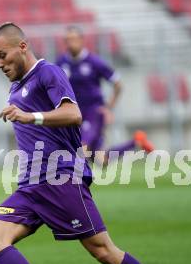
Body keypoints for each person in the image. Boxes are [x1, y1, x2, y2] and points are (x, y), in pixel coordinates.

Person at [0, 22, 191, 264]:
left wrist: (32, 116)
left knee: (104, 252)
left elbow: (73, 114)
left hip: (62, 181)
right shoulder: (16, 88)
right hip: (30, 187)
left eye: (2, 55)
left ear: (23, 47)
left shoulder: (48, 73)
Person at [56, 26, 154, 165]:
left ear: (81, 40)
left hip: (93, 112)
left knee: (81, 149)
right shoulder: (61, 63)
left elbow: (118, 84)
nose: (71, 43)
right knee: (102, 161)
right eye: (68, 40)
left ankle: (70, 185)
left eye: (74, 39)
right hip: (73, 113)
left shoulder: (94, 62)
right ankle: (137, 142)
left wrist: (108, 108)